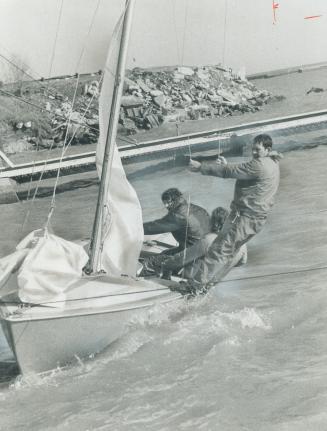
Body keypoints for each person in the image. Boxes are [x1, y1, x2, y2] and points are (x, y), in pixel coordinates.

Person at [186, 133, 282, 293]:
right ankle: (208, 285)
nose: (254, 152)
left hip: (244, 218)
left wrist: (200, 167)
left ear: (267, 149)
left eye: (257, 149)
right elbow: (243, 172)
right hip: (256, 221)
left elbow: (231, 171)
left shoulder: (259, 165)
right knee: (231, 253)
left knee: (219, 249)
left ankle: (195, 286)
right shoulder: (272, 163)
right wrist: (226, 165)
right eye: (253, 149)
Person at [143, 188, 210, 255]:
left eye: (167, 203)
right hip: (208, 246)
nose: (166, 206)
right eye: (164, 203)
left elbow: (155, 227)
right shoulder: (199, 209)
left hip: (194, 252)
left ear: (173, 200)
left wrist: (135, 228)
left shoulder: (178, 215)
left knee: (159, 258)